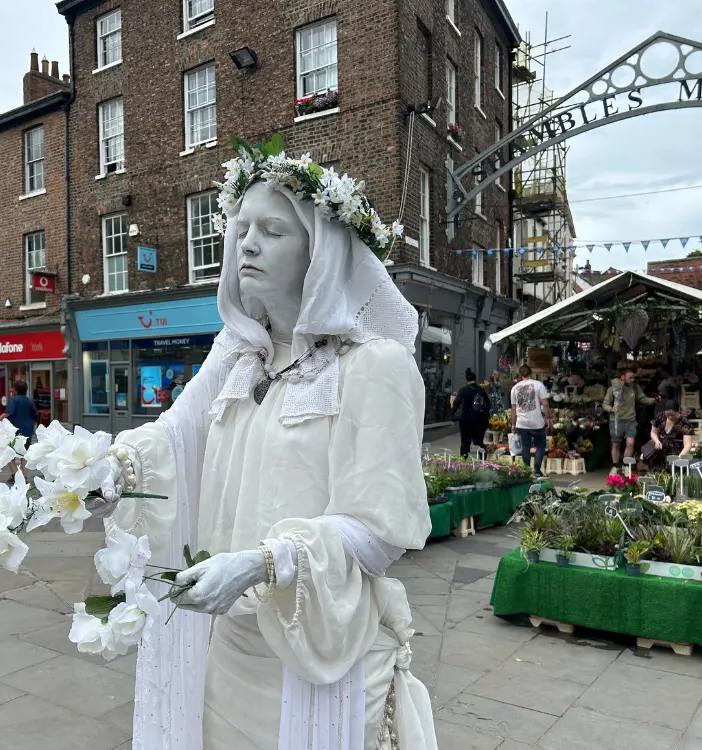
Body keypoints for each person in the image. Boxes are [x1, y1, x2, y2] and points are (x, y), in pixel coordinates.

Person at [89, 150, 436, 750]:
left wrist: (263, 562)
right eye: (241, 229)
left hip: (319, 648)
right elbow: (175, 433)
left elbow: (378, 534)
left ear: (320, 253)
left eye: (272, 231)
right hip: (232, 645)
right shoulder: (239, 356)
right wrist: (111, 469)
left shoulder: (374, 366)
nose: (246, 245)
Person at [603, 369, 657, 471]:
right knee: (616, 444)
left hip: (630, 420)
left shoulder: (635, 388)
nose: (632, 380)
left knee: (630, 442)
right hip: (616, 420)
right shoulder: (613, 389)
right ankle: (615, 465)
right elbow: (605, 403)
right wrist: (611, 409)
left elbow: (642, 398)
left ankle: (625, 465)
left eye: (633, 378)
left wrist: (653, 400)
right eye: (630, 378)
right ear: (622, 377)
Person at [511, 365, 552, 476]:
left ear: (520, 374)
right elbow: (545, 403)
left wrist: (513, 424)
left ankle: (526, 470)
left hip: (522, 423)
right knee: (540, 446)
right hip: (537, 422)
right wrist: (547, 418)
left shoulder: (515, 388)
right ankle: (537, 470)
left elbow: (513, 409)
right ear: (530, 373)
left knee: (525, 446)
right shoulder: (538, 385)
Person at [644, 400, 694, 471]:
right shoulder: (660, 416)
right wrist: (656, 441)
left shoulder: (685, 423)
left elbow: (688, 444)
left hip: (675, 453)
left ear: (678, 411)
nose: (670, 417)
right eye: (667, 415)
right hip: (659, 454)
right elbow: (653, 432)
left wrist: (679, 458)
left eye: (672, 415)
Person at [0, 380, 37, 475]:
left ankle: (15, 474)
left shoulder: (14, 400)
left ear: (15, 390)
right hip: (27, 431)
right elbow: (35, 415)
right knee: (24, 454)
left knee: (9, 453)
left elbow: (8, 413)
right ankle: (25, 475)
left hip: (14, 431)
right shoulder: (29, 401)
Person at [452, 368, 491, 457]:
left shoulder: (463, 390)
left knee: (465, 442)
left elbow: (456, 403)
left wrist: (453, 414)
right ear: (475, 379)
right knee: (479, 442)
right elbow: (488, 404)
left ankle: (464, 461)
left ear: (466, 379)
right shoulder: (481, 390)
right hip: (480, 420)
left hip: (466, 420)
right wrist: (486, 414)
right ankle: (483, 461)